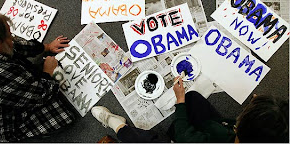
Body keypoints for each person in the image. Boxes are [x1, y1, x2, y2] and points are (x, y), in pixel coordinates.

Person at [0, 9, 75, 142]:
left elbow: (14, 46)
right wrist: (48, 71)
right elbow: (42, 93)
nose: (13, 38)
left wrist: (46, 47)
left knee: (10, 51)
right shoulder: (0, 80)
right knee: (60, 115)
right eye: (9, 36)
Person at [91, 76, 289, 143]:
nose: (253, 97)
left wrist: (179, 101)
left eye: (253, 104)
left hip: (187, 138)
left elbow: (186, 136)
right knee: (193, 97)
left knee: (144, 140)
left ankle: (116, 124)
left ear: (241, 126)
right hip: (217, 128)